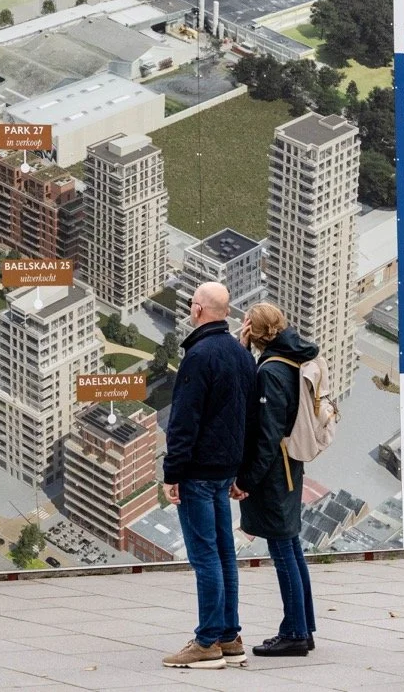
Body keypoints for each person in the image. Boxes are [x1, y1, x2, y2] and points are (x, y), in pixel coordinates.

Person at [161, 282, 256, 670]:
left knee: (205, 557)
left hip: (199, 472)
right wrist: (241, 470)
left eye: (190, 303)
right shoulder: (240, 353)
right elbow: (250, 419)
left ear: (198, 309)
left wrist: (172, 472)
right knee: (224, 554)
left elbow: (184, 421)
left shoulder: (199, 356)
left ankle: (206, 642)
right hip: (225, 469)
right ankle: (229, 636)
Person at [232, 302, 318, 657]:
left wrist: (247, 480)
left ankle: (295, 633)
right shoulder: (290, 357)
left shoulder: (269, 371)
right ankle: (303, 627)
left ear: (253, 328)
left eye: (245, 324)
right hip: (288, 466)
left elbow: (266, 435)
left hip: (273, 473)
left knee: (283, 551)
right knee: (292, 549)